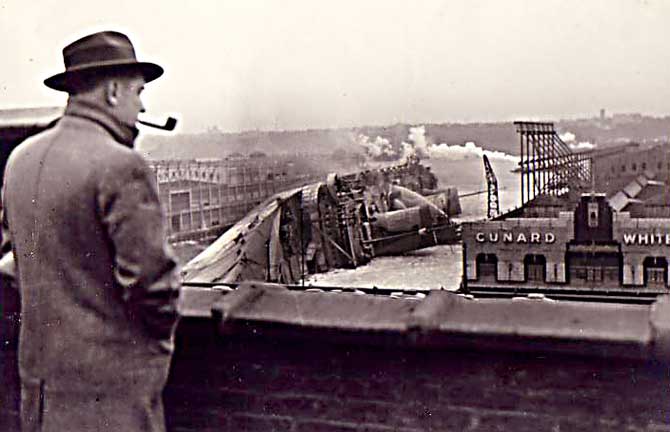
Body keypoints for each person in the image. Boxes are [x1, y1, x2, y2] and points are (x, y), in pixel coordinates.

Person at [0, 31, 181, 432]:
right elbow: (153, 285)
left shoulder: (20, 160)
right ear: (114, 92)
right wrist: (155, 350)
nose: (143, 105)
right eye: (138, 92)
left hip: (40, 391)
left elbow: (12, 262)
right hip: (111, 396)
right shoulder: (121, 165)